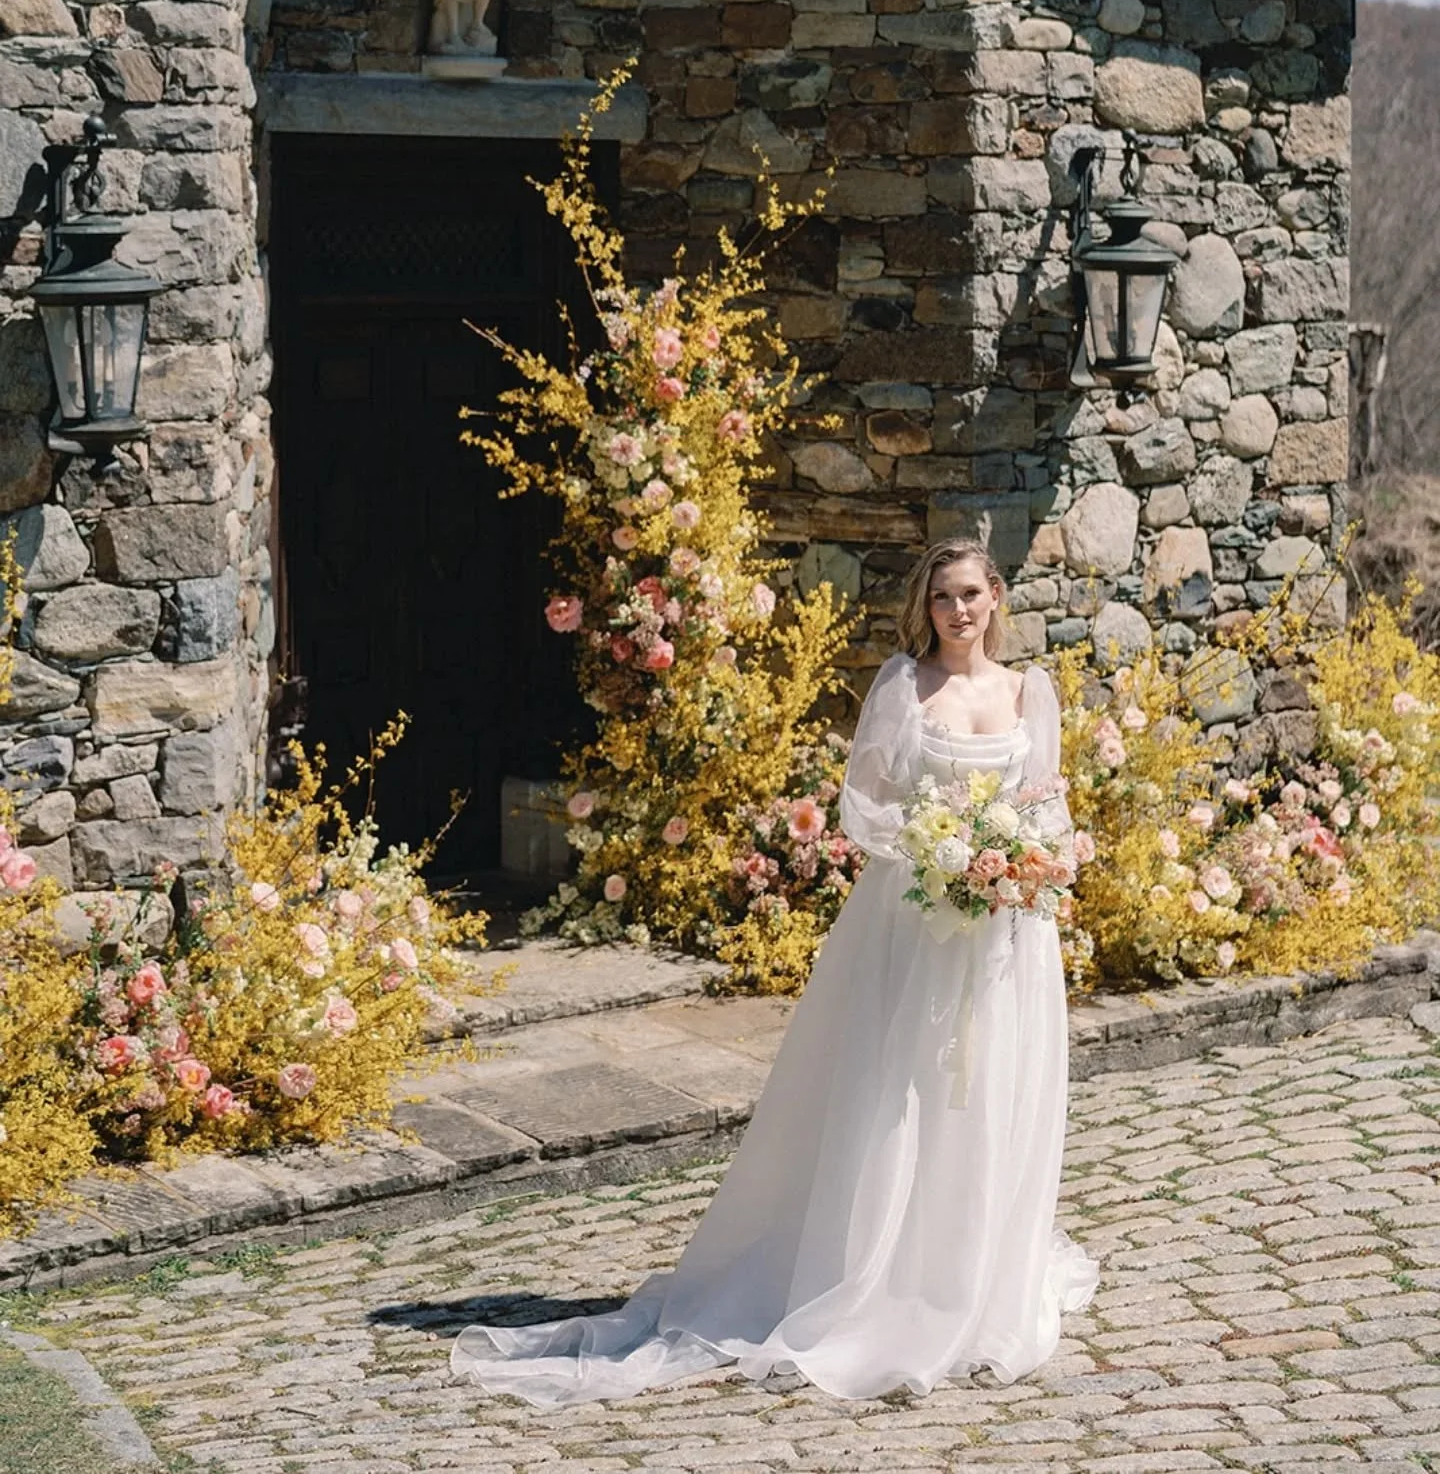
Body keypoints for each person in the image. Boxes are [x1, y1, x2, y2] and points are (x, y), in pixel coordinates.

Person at [450, 535, 1098, 1405]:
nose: (957, 611)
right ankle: (886, 1273)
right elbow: (864, 803)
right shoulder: (904, 686)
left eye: (971, 594)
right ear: (926, 604)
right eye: (943, 596)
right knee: (899, 1094)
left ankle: (976, 1276)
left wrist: (1022, 865)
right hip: (916, 920)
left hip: (1006, 933)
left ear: (997, 597)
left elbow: (1047, 803)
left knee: (991, 1093)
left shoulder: (1030, 692)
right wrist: (940, 853)